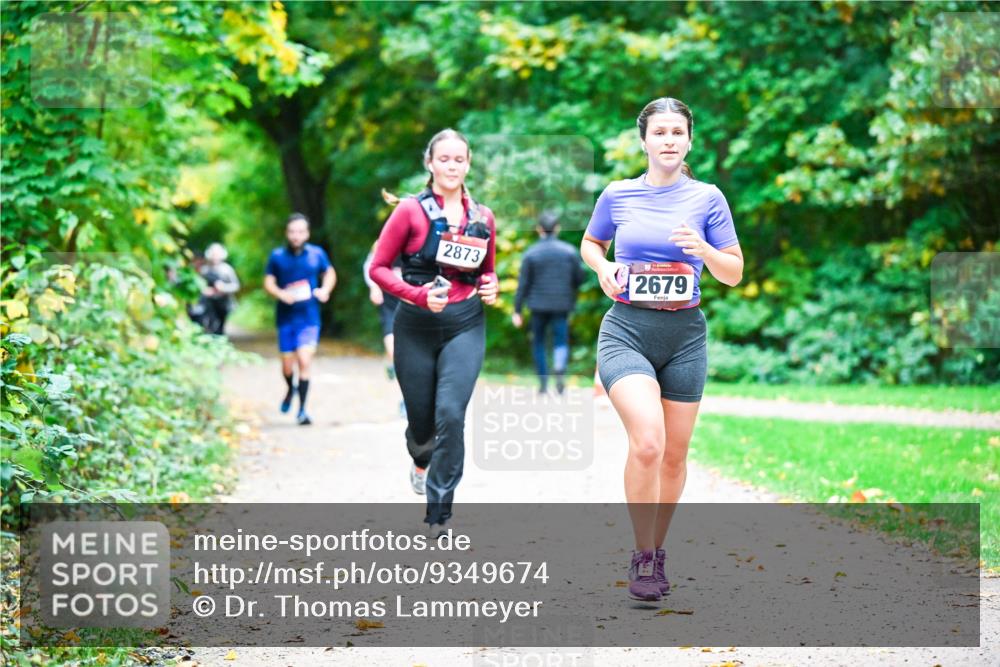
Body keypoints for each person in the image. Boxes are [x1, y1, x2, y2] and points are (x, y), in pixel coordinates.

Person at [580, 97, 743, 602]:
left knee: (673, 457)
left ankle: (657, 550)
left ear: (689, 139)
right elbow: (591, 244)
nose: (669, 139)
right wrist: (603, 269)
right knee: (647, 442)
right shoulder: (618, 194)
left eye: (678, 131)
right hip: (627, 330)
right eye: (660, 132)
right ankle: (641, 553)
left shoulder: (708, 198)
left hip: (685, 336)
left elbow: (733, 274)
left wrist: (706, 251)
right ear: (644, 140)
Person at [368, 128, 499, 537]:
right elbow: (378, 268)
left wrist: (491, 285)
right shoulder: (410, 211)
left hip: (464, 323)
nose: (452, 166)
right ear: (430, 163)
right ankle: (421, 460)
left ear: (468, 164)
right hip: (416, 326)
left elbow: (487, 270)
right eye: (444, 159)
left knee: (451, 414)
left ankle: (439, 511)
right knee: (422, 424)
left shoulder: (483, 217)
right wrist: (417, 295)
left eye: (459, 159)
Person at [264, 213, 337, 426]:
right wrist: (280, 294)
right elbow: (269, 282)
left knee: (304, 361)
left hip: (309, 317)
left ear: (307, 233)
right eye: (292, 232)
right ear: (287, 233)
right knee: (287, 367)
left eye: (300, 231)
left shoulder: (317, 254)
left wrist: (325, 290)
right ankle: (289, 389)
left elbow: (330, 274)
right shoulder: (277, 256)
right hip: (286, 318)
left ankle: (303, 410)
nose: (296, 236)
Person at [512, 210, 586, 394]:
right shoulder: (569, 252)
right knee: (560, 341)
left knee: (538, 342)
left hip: (537, 305)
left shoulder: (531, 253)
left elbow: (523, 284)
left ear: (539, 229)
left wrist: (517, 310)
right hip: (562, 304)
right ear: (558, 228)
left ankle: (543, 384)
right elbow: (580, 278)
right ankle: (559, 367)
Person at [363, 239, 406, 417]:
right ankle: (404, 398)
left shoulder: (418, 242)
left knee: (406, 356)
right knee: (395, 351)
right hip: (388, 304)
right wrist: (374, 287)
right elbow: (370, 265)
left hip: (410, 303)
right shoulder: (383, 242)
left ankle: (405, 398)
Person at [195, 243, 240, 336]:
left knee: (220, 326)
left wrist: (223, 288)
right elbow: (198, 286)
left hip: (223, 303)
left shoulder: (227, 269)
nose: (215, 257)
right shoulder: (205, 270)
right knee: (209, 324)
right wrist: (205, 290)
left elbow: (236, 285)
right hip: (208, 303)